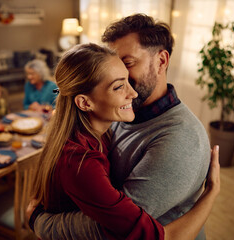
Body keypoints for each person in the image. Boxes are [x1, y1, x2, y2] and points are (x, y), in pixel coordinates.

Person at [29, 14, 212, 240]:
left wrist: (41, 222)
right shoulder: (111, 117)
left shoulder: (180, 139)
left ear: (161, 61)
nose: (120, 77)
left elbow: (115, 232)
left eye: (127, 63)